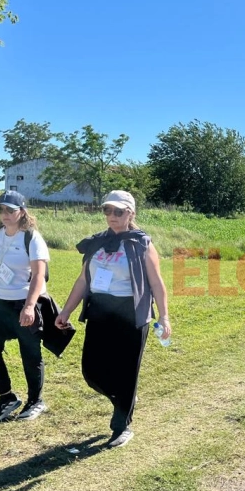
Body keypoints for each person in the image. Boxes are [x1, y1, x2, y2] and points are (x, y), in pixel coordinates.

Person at [55, 190, 171, 448]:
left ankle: (121, 427)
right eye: (108, 210)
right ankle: (126, 399)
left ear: (131, 213)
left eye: (119, 211)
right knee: (92, 371)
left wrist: (164, 317)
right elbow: (83, 280)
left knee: (126, 372)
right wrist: (66, 311)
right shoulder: (97, 242)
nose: (112, 216)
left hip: (131, 312)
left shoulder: (142, 243)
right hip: (99, 310)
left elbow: (156, 282)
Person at [0, 190, 51, 422]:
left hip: (24, 302)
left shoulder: (31, 237)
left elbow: (39, 275)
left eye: (10, 210)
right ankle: (7, 397)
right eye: (1, 210)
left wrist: (29, 306)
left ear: (22, 211)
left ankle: (36, 401)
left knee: (30, 352)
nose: (4, 214)